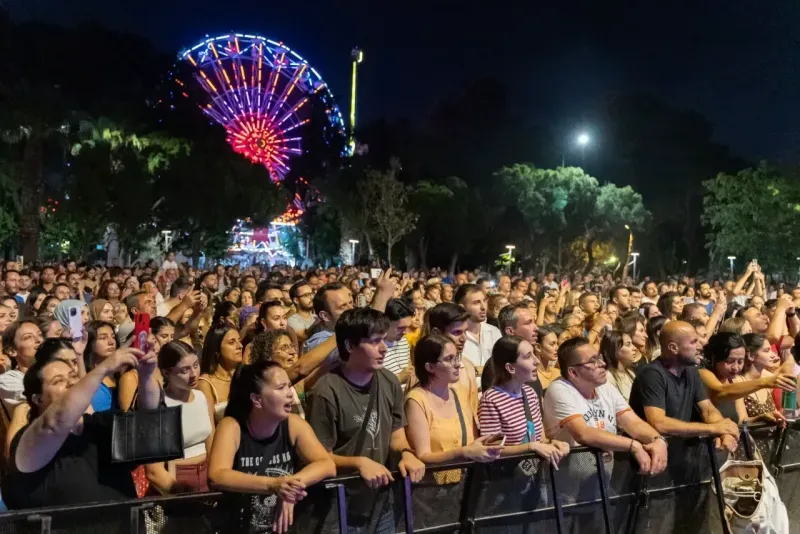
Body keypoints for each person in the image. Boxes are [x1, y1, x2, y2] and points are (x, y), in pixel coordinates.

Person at [306, 308, 425, 533]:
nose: (383, 348)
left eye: (383, 340)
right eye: (374, 341)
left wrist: (407, 454)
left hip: (380, 501)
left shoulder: (388, 381)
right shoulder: (326, 391)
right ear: (350, 346)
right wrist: (359, 463)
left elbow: (395, 434)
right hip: (338, 504)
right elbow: (319, 457)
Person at [3, 345, 160, 509]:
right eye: (58, 381)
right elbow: (54, 423)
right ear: (37, 399)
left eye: (73, 376)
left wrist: (146, 376)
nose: (71, 383)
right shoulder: (29, 439)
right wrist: (104, 368)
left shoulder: (99, 424)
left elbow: (147, 419)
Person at [208, 360, 336, 534]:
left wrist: (291, 488)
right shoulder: (232, 426)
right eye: (280, 388)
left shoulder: (293, 424)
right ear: (257, 399)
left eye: (289, 386)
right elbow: (217, 475)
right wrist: (273, 484)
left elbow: (327, 464)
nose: (290, 393)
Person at [542, 337, 668, 478]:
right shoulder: (559, 389)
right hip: (565, 488)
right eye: (593, 360)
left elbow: (632, 422)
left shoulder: (605, 386)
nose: (602, 363)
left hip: (601, 479)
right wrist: (633, 445)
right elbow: (583, 433)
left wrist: (657, 439)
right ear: (573, 372)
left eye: (599, 357)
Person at [628, 321, 739, 453]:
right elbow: (659, 423)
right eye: (693, 342)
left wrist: (724, 431)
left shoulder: (691, 370)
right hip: (653, 456)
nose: (700, 346)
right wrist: (713, 429)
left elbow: (708, 410)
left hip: (682, 457)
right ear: (673, 348)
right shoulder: (652, 374)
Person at [405, 334, 502, 482]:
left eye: (457, 357)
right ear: (430, 367)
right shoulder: (417, 400)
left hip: (466, 483)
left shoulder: (459, 393)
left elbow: (473, 438)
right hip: (431, 490)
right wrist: (464, 452)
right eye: (449, 359)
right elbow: (423, 455)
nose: (457, 364)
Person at [479, 336, 570, 463]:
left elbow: (539, 438)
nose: (536, 361)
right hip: (508, 478)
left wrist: (554, 443)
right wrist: (531, 447)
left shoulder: (529, 393)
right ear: (511, 368)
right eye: (528, 356)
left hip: (535, 474)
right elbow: (492, 449)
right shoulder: (491, 400)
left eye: (534, 354)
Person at [146, 341, 214, 494]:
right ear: (166, 373)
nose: (193, 374)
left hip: (207, 479)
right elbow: (154, 471)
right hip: (175, 482)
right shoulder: (159, 405)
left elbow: (212, 446)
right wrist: (178, 495)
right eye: (185, 370)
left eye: (196, 365)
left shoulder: (202, 396)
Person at [199, 325, 244, 424]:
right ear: (216, 350)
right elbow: (209, 429)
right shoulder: (206, 384)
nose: (240, 346)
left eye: (239, 340)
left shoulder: (245, 376)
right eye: (232, 342)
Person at [0, 320, 44, 414]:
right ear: (12, 351)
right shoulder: (9, 380)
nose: (39, 340)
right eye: (28, 337)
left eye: (40, 334)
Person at [455, 283, 502, 372]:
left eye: (484, 300)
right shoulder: (455, 337)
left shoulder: (494, 331)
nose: (483, 307)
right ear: (462, 307)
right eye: (476, 303)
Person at [600, 330, 638, 401]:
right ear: (614, 349)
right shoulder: (608, 378)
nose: (634, 348)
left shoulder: (630, 373)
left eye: (632, 343)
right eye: (628, 344)